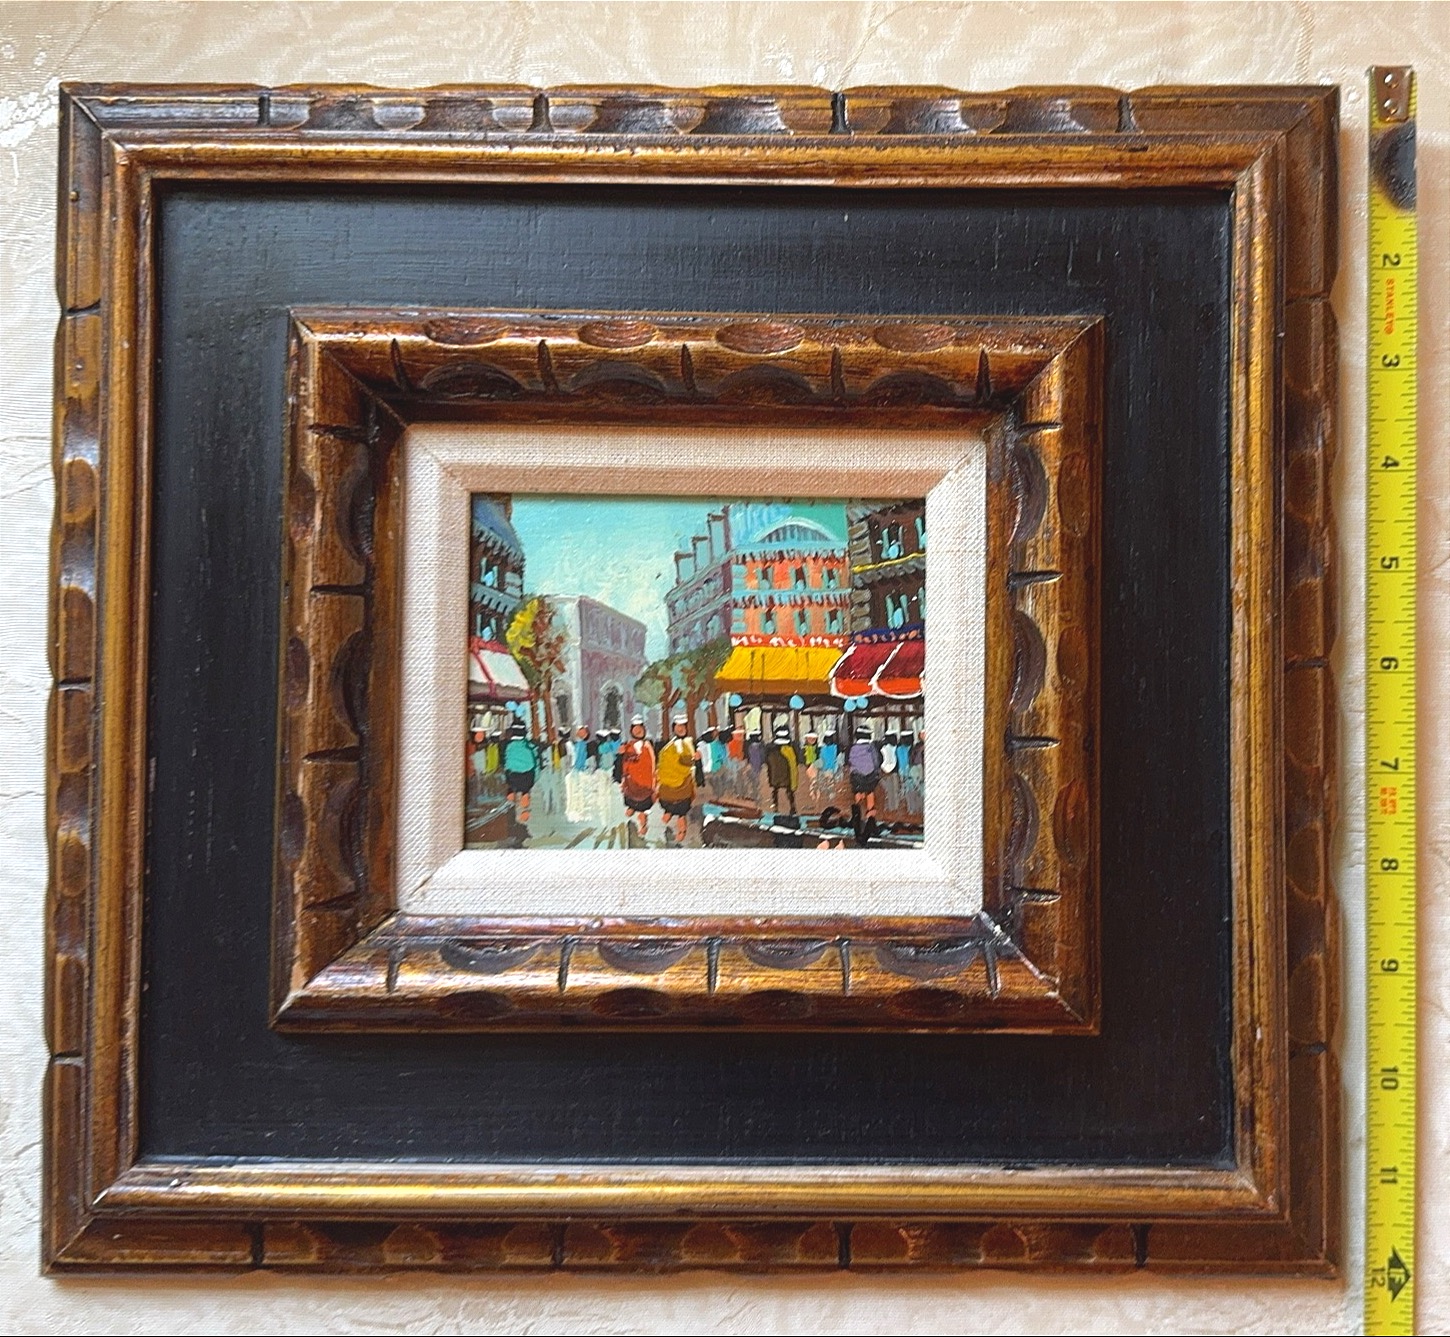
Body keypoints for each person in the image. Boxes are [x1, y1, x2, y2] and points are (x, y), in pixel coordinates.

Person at [656, 713, 701, 843]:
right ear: (673, 728)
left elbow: (690, 764)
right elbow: (666, 764)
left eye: (683, 726)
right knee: (670, 812)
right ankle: (664, 828)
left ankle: (681, 833)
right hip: (669, 789)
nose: (681, 729)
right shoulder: (669, 747)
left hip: (683, 789)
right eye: (678, 726)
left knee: (681, 813)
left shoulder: (689, 744)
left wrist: (694, 761)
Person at [614, 715, 657, 838]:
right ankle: (632, 807)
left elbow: (652, 763)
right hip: (631, 783)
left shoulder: (648, 745)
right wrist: (621, 755)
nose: (638, 731)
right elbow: (622, 764)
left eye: (640, 729)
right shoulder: (627, 746)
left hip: (645, 784)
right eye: (635, 729)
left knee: (643, 805)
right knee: (631, 798)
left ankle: (643, 825)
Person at [502, 722, 539, 823]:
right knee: (524, 790)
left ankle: (514, 795)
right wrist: (535, 777)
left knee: (516, 788)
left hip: (514, 776)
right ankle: (524, 805)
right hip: (527, 775)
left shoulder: (508, 746)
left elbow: (505, 763)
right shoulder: (530, 745)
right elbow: (536, 762)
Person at [847, 724, 882, 818]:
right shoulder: (871, 747)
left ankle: (857, 811)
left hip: (856, 776)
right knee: (870, 791)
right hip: (871, 776)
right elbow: (876, 760)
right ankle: (870, 812)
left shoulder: (852, 748)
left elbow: (849, 761)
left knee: (857, 790)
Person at [764, 724, 800, 815]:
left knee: (775, 791)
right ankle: (792, 807)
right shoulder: (790, 750)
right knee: (789, 792)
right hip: (787, 777)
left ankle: (775, 806)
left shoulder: (771, 751)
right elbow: (793, 765)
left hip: (775, 777)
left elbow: (769, 764)